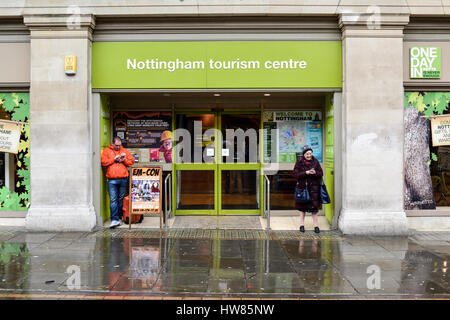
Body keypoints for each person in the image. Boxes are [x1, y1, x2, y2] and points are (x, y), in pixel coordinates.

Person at [101, 136, 135, 228]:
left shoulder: (124, 150)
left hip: (123, 179)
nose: (118, 147)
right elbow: (103, 162)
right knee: (113, 200)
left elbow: (131, 162)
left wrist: (124, 160)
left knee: (120, 200)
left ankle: (119, 218)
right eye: (116, 145)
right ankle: (114, 220)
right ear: (112, 143)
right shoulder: (107, 151)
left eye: (119, 145)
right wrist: (113, 159)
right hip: (112, 180)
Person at [293, 145, 323, 233]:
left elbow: (321, 173)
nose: (309, 155)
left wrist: (315, 172)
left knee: (314, 209)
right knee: (302, 208)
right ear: (303, 154)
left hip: (314, 189)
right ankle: (301, 225)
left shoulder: (315, 161)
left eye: (310, 153)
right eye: (307, 154)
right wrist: (305, 173)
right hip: (303, 188)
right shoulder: (299, 162)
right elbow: (295, 174)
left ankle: (316, 226)